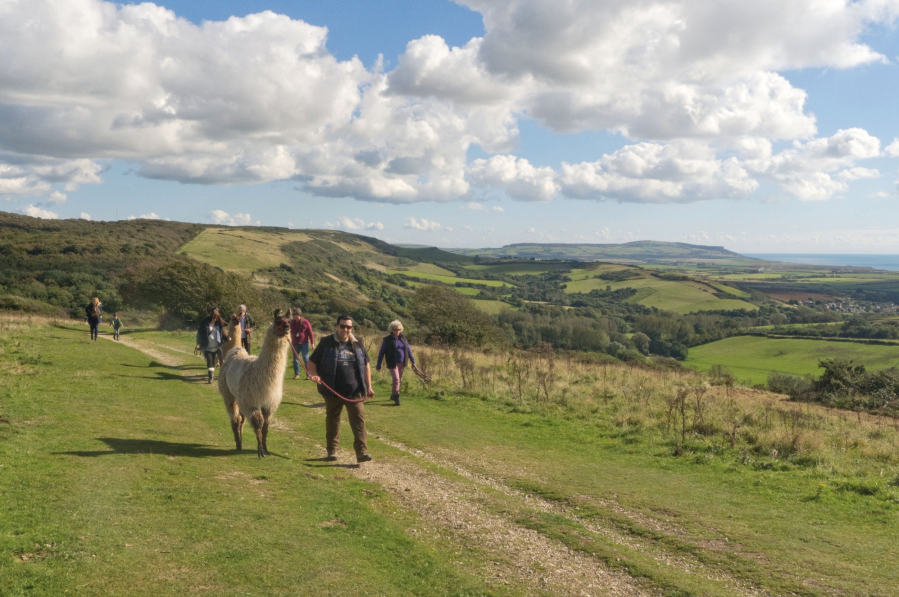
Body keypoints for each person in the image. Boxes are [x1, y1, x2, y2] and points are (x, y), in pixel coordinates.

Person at [307, 314, 375, 463]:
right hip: (332, 390)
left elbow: (366, 365)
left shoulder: (358, 343)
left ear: (352, 328)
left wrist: (369, 386)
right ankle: (332, 451)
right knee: (333, 420)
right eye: (343, 326)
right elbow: (311, 362)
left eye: (349, 327)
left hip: (355, 391)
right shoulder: (326, 342)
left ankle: (361, 452)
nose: (345, 329)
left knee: (358, 421)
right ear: (337, 326)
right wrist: (314, 375)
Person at [376, 320, 415, 406]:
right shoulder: (387, 340)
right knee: (396, 379)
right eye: (395, 329)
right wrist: (378, 364)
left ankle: (393, 394)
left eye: (399, 329)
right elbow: (381, 352)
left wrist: (413, 360)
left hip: (402, 362)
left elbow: (408, 350)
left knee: (399, 380)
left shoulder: (403, 338)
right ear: (392, 329)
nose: (397, 331)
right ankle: (397, 397)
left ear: (401, 329)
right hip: (392, 362)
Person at [195, 307, 230, 384]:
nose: (215, 319)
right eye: (214, 318)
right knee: (210, 360)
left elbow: (222, 334)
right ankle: (211, 377)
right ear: (211, 316)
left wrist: (227, 338)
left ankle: (223, 376)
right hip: (207, 346)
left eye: (216, 318)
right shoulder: (204, 322)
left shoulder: (219, 323)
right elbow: (199, 334)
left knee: (222, 359)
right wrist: (198, 343)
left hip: (217, 346)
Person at [288, 307, 315, 379]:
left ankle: (308, 374)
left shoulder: (306, 322)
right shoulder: (291, 322)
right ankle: (297, 374)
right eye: (292, 314)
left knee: (306, 359)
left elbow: (310, 333)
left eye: (295, 314)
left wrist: (312, 344)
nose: (293, 315)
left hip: (304, 343)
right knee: (295, 360)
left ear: (299, 314)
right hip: (295, 343)